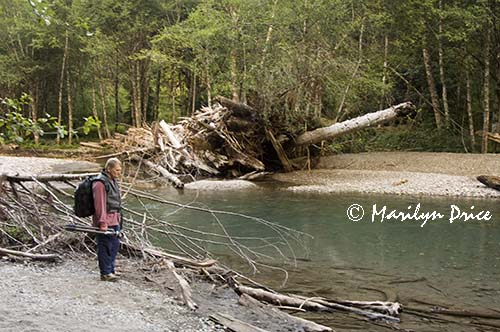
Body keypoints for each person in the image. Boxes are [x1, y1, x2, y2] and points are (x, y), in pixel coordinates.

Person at [92, 157, 122, 282]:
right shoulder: (100, 183)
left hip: (115, 219)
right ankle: (105, 273)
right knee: (105, 246)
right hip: (105, 220)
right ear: (108, 169)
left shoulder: (113, 180)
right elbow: (100, 204)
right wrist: (102, 222)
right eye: (117, 170)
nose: (119, 173)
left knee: (114, 245)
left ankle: (111, 269)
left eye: (120, 170)